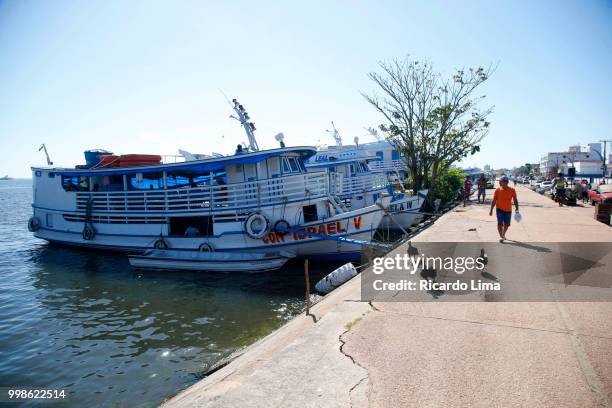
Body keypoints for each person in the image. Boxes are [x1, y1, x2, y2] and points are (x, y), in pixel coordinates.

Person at [489, 175, 519, 242]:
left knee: (507, 224)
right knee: (500, 223)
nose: (499, 183)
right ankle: (502, 237)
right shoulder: (498, 190)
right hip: (499, 209)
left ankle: (503, 234)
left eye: (501, 181)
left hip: (508, 210)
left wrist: (517, 209)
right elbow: (494, 200)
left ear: (506, 182)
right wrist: (491, 210)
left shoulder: (512, 190)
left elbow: (515, 200)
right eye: (499, 181)